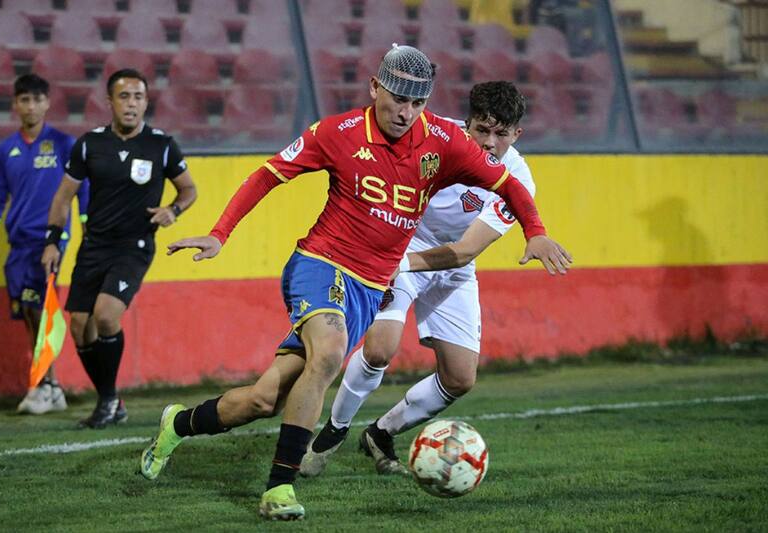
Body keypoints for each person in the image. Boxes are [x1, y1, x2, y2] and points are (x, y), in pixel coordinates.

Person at [140, 45, 571, 521]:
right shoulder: (337, 133)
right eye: (397, 100)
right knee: (329, 353)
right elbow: (268, 175)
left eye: (417, 103)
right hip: (321, 262)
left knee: (264, 399)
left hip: (371, 283)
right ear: (374, 88)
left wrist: (536, 232)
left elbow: (509, 185)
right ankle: (280, 488)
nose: (406, 113)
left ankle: (177, 424)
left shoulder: (445, 141)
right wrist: (220, 233)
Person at [300, 80, 566, 477]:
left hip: (450, 265)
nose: (490, 142)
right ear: (466, 124)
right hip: (401, 245)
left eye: (501, 134)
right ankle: (333, 432)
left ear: (517, 134)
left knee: (460, 378)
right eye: (482, 129)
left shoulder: (518, 180)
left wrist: (404, 266)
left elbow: (466, 250)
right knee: (379, 350)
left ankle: (380, 433)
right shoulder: (431, 137)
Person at [41, 68, 197, 429]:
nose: (131, 104)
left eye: (138, 97)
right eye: (124, 97)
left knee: (106, 315)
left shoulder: (161, 145)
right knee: (80, 325)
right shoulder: (89, 144)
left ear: (146, 102)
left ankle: (108, 401)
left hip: (135, 246)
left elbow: (189, 190)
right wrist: (51, 241)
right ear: (109, 101)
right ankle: (110, 399)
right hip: (94, 245)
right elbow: (63, 197)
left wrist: (172, 210)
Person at [0, 74, 89, 415]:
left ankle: (46, 384)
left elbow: (82, 191)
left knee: (39, 308)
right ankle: (49, 387)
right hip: (18, 244)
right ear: (15, 105)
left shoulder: (65, 145)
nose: (31, 105)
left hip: (51, 241)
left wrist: (88, 231)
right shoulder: (6, 150)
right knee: (27, 311)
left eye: (37, 99)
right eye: (24, 99)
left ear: (47, 103)